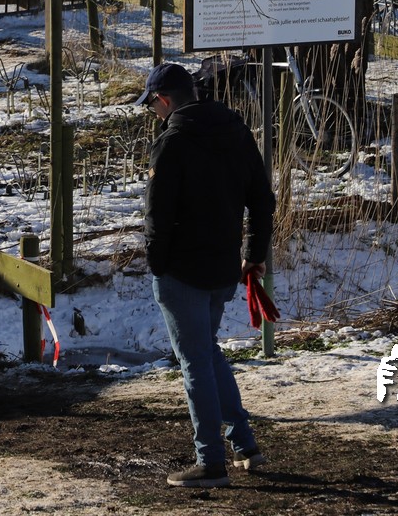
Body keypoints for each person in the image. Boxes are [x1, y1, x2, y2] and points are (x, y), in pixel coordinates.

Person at [137, 61, 275, 488]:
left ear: (163, 100)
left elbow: (157, 216)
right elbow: (263, 200)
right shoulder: (237, 131)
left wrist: (156, 264)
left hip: (181, 271)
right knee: (208, 353)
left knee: (195, 361)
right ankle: (245, 445)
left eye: (152, 106)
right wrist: (253, 254)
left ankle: (210, 461)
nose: (154, 114)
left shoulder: (171, 143)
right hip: (222, 268)